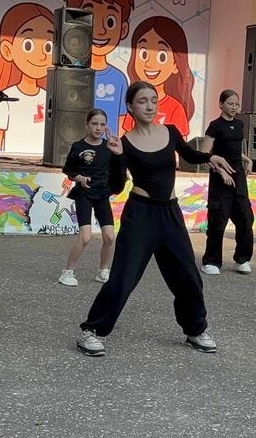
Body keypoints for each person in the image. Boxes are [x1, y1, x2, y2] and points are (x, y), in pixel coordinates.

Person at [75, 81, 234, 357]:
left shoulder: (170, 131)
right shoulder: (124, 143)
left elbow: (190, 154)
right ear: (130, 107)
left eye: (153, 100)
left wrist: (212, 157)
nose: (149, 106)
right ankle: (92, 331)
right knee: (123, 278)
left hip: (170, 213)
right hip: (141, 215)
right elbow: (116, 186)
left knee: (188, 276)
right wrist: (117, 157)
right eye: (142, 101)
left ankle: (195, 330)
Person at [63, 0, 135, 136]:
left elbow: (121, 120)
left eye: (110, 22)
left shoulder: (119, 78)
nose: (100, 30)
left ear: (123, 29)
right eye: (92, 20)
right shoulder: (71, 75)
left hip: (107, 146)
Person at [199, 89, 255, 276]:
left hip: (238, 177)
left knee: (245, 218)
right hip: (220, 179)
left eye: (237, 104)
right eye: (230, 104)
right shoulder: (215, 126)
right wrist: (221, 172)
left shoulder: (239, 125)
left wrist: (247, 159)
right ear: (221, 104)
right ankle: (211, 261)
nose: (234, 107)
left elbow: (234, 149)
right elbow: (204, 155)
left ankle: (242, 259)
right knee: (218, 220)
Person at [0, 3, 54, 154]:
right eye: (28, 45)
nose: (42, 55)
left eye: (48, 47)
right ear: (7, 50)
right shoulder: (5, 98)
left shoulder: (50, 97)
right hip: (10, 162)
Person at [58, 109, 115, 287]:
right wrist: (79, 178)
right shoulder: (78, 146)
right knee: (85, 236)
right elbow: (68, 170)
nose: (98, 128)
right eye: (94, 123)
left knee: (110, 237)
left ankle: (103, 271)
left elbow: (118, 168)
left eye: (102, 124)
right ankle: (67, 272)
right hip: (84, 194)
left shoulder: (109, 147)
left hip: (102, 194)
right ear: (87, 125)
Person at [120, 17, 196, 137]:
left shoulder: (176, 108)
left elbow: (181, 142)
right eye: (143, 54)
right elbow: (127, 135)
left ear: (176, 65)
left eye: (162, 56)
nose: (149, 64)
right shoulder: (135, 105)